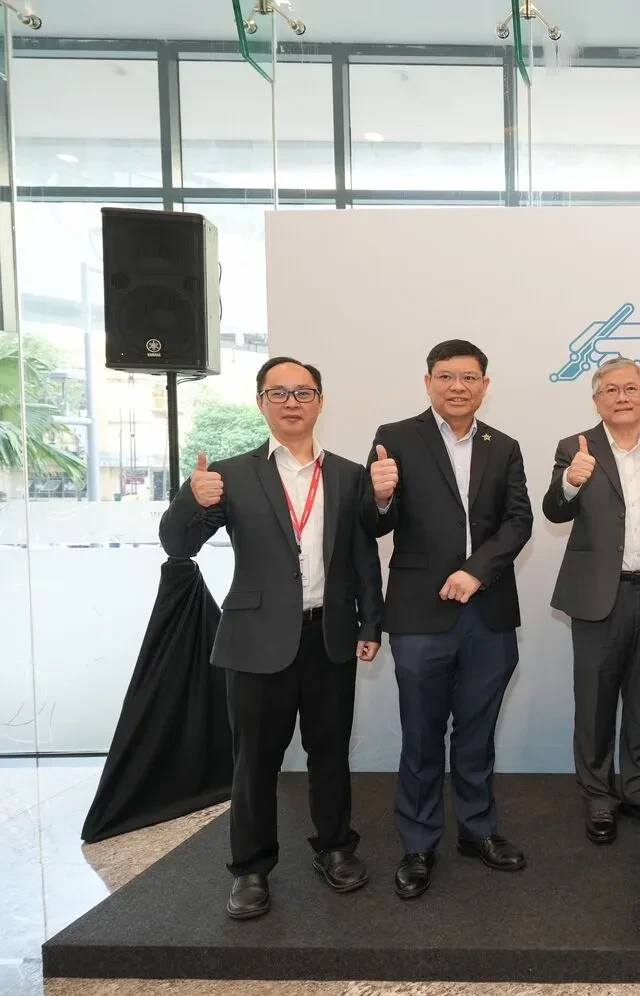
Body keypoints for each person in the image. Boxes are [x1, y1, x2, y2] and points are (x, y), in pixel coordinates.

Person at [159, 356, 382, 921]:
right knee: (254, 760)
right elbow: (177, 544)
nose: (291, 402)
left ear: (320, 402)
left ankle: (334, 848)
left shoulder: (351, 475)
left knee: (330, 753)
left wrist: (370, 623)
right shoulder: (230, 474)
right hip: (257, 639)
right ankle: (252, 869)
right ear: (261, 402)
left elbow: (362, 558)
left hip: (329, 637)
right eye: (278, 392)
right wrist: (192, 498)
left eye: (303, 392)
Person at [367, 339, 534, 899]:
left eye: (469, 377)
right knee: (421, 735)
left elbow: (518, 522)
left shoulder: (504, 446)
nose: (457, 386)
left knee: (477, 732)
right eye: (446, 376)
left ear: (485, 384)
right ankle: (417, 844)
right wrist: (381, 499)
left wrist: (475, 571)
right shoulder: (395, 437)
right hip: (419, 613)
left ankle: (478, 830)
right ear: (428, 382)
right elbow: (374, 522)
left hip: (486, 610)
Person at [541, 357, 640, 845]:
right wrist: (572, 480)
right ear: (596, 401)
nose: (622, 396)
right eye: (610, 390)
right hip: (597, 596)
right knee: (594, 702)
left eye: (631, 387)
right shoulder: (576, 447)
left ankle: (636, 789)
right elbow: (552, 509)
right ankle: (597, 796)